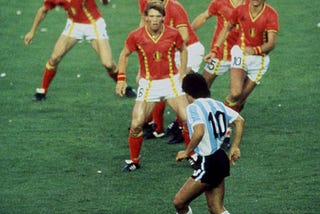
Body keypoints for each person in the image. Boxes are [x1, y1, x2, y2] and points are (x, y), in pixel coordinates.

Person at [116, 2, 191, 172]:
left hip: (170, 82)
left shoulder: (173, 34)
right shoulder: (136, 36)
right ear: (145, 18)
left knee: (188, 118)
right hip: (148, 84)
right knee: (136, 124)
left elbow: (183, 49)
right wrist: (121, 79)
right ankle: (134, 161)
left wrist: (183, 72)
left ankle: (192, 155)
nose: (155, 20)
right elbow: (124, 54)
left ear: (164, 18)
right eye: (151, 16)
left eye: (158, 17)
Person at [24, 0, 136, 101]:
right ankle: (42, 91)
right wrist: (32, 31)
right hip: (74, 24)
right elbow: (43, 10)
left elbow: (105, 2)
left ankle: (123, 86)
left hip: (94, 25)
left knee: (108, 64)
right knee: (54, 58)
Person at [174, 72, 245, 214]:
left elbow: (199, 132)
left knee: (179, 202)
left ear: (188, 92)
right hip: (221, 158)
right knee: (216, 208)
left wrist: (186, 152)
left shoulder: (193, 108)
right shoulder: (217, 104)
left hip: (209, 162)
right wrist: (235, 146)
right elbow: (239, 120)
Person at [138, 0, 205, 145]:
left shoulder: (174, 7)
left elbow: (185, 37)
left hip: (189, 50)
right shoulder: (149, 5)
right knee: (161, 84)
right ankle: (158, 127)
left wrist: (163, 43)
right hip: (172, 51)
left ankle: (186, 129)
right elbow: (142, 30)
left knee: (180, 89)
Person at [205, 0, 279, 112]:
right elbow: (227, 28)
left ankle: (224, 120)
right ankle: (222, 121)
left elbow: (271, 43)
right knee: (235, 92)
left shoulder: (271, 14)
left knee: (239, 101)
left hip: (260, 60)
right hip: (240, 54)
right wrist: (215, 49)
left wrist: (255, 50)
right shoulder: (240, 10)